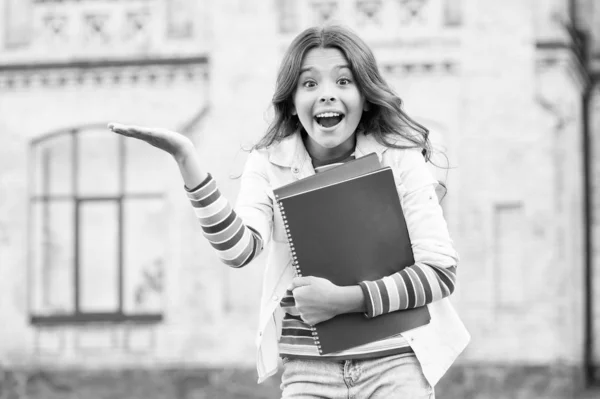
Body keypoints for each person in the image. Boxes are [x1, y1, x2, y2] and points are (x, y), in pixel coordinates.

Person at [108, 25, 469, 399]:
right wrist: (186, 158)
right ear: (293, 101)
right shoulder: (269, 162)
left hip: (396, 366)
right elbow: (238, 250)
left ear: (365, 96)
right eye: (309, 84)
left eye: (344, 81)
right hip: (308, 371)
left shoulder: (399, 157)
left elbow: (440, 273)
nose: (327, 94)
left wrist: (345, 299)